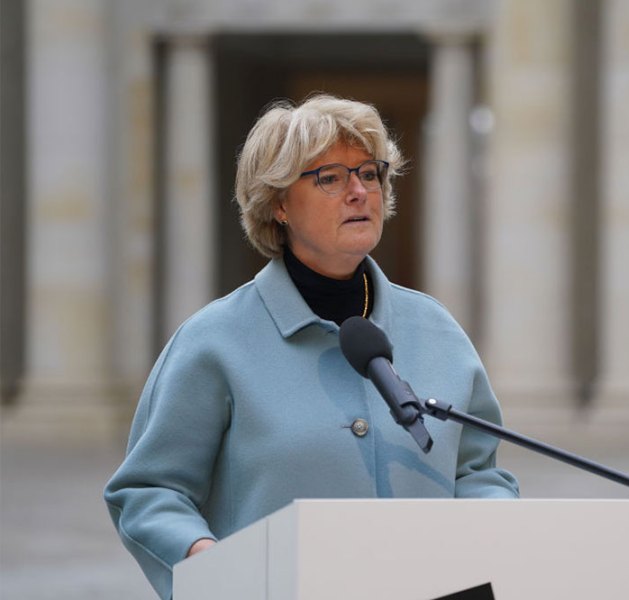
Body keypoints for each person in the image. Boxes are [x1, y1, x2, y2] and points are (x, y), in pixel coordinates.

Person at [104, 94, 519, 600]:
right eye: (330, 177)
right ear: (278, 203)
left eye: (369, 174)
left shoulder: (437, 330)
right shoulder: (214, 341)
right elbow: (148, 491)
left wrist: (486, 535)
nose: (359, 192)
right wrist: (207, 563)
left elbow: (478, 471)